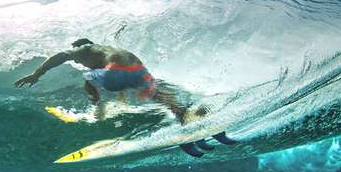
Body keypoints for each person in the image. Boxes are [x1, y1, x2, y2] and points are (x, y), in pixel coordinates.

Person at [14, 38, 202, 123]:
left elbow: (60, 56)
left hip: (116, 72)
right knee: (155, 93)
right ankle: (182, 114)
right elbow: (125, 72)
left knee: (87, 78)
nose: (78, 62)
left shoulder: (83, 49)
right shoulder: (108, 50)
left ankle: (97, 109)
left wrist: (36, 74)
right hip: (139, 69)